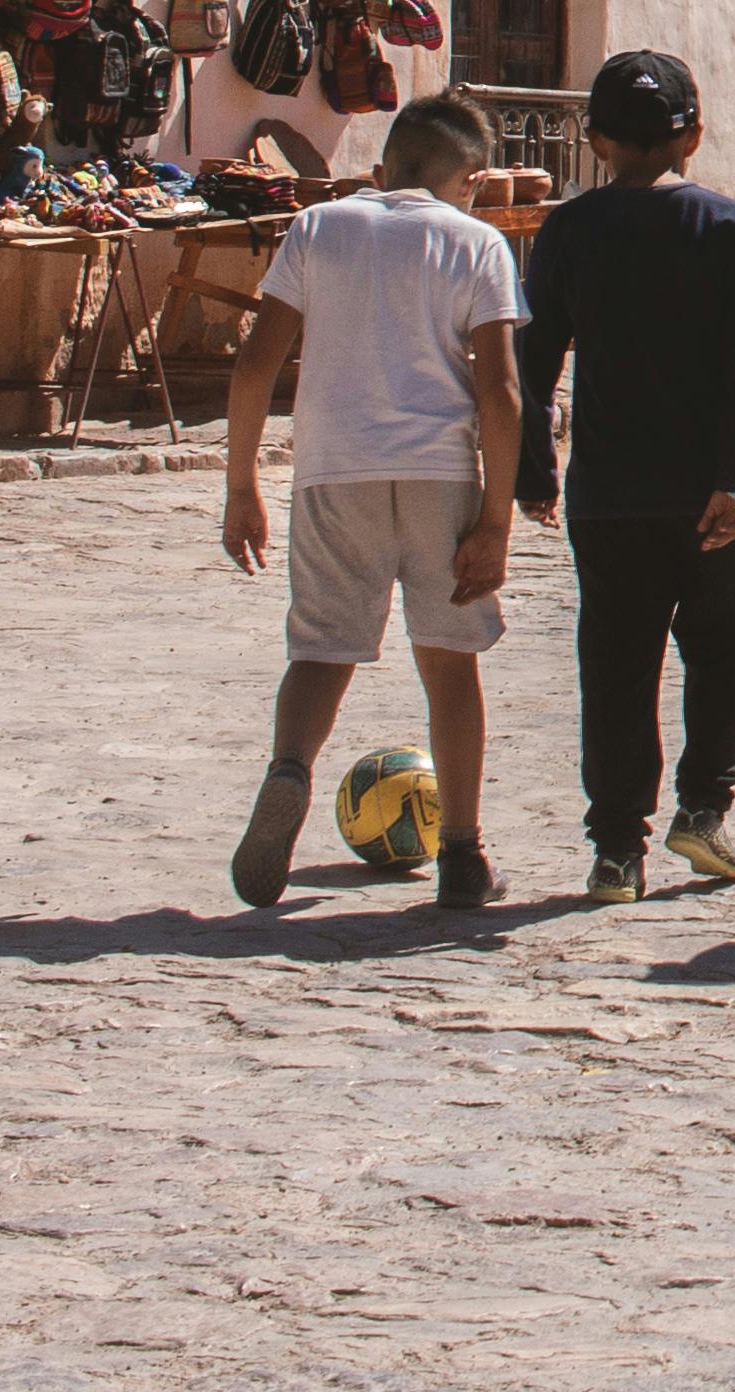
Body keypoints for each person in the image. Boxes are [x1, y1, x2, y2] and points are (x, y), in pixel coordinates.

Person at [221, 92, 527, 912]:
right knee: (449, 662)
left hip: (333, 472)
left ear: (382, 167)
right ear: (472, 179)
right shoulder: (477, 243)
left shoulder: (319, 227)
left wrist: (242, 486)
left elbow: (254, 366)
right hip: (439, 476)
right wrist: (495, 521)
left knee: (320, 651)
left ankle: (289, 770)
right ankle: (462, 853)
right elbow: (500, 391)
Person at [514, 49, 735, 906]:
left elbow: (534, 359)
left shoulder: (569, 231)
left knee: (617, 664)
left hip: (609, 494)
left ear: (595, 140)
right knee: (726, 647)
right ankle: (704, 807)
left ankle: (616, 850)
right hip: (708, 493)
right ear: (692, 136)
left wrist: (534, 470)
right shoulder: (729, 226)